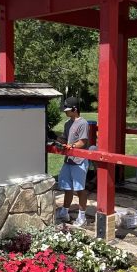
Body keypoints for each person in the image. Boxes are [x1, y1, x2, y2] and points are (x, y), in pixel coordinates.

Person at [54, 97, 91, 227]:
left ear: (75, 109)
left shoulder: (83, 123)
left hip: (79, 161)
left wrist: (71, 146)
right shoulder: (67, 124)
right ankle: (64, 212)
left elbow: (82, 142)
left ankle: (82, 217)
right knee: (67, 188)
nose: (65, 112)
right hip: (68, 160)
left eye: (68, 110)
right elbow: (65, 140)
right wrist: (54, 137)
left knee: (80, 189)